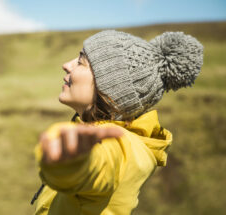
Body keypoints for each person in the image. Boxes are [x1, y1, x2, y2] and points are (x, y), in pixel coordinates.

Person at [31, 30, 203, 215]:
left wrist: (74, 162)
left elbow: (101, 164)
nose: (66, 65)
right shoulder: (129, 142)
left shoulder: (116, 144)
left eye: (81, 62)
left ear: (111, 87)